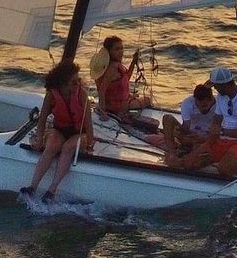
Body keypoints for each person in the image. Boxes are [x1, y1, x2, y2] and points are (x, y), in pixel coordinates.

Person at [24, 59, 94, 201]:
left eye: (78, 80)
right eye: (74, 81)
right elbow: (42, 119)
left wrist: (89, 144)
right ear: (63, 82)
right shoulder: (52, 94)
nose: (77, 84)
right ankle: (32, 187)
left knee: (68, 147)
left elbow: (88, 123)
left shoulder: (82, 94)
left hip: (79, 133)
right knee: (52, 146)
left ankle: (52, 189)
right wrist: (38, 138)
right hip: (60, 129)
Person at [91, 35, 153, 119]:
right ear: (108, 52)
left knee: (136, 96)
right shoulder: (112, 68)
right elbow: (101, 91)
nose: (121, 51)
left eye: (121, 48)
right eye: (117, 49)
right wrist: (103, 112)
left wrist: (133, 62)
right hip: (118, 106)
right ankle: (124, 113)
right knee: (148, 100)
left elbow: (126, 78)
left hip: (116, 102)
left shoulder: (108, 65)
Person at [161, 82, 218, 168]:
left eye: (205, 105)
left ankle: (188, 157)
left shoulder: (220, 105)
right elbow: (186, 127)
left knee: (201, 151)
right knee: (167, 118)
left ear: (211, 100)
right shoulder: (188, 103)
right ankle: (172, 154)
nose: (202, 109)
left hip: (208, 136)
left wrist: (204, 138)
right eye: (199, 105)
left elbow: (221, 131)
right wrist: (180, 133)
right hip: (191, 133)